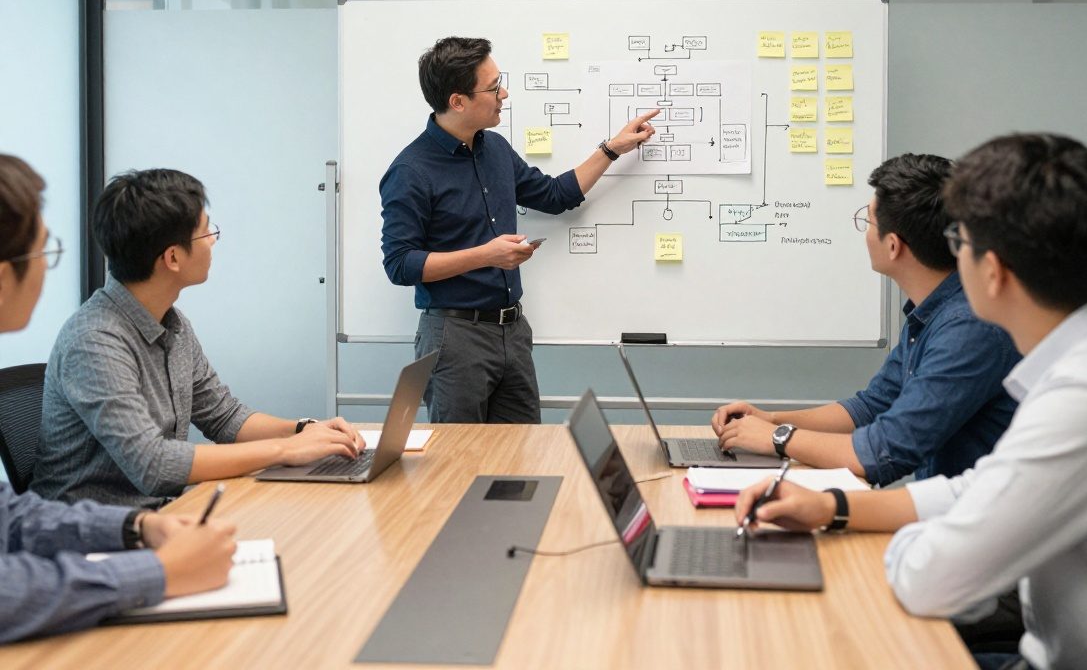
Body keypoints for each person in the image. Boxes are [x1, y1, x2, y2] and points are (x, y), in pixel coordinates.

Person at [735, 133, 1087, 670]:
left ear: (993, 270)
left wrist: (900, 536)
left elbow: (933, 580)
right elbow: (980, 488)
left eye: (961, 240)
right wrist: (835, 508)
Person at [0, 154, 237, 641]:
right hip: (85, 573)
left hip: (133, 525)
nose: (49, 271)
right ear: (5, 277)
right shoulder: (94, 336)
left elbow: (13, 518)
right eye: (47, 253)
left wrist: (137, 529)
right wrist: (159, 573)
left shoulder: (175, 324)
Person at [30, 168, 365, 509]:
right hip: (88, 534)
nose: (213, 240)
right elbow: (154, 465)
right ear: (172, 257)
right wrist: (285, 451)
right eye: (206, 232)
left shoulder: (172, 324)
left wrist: (303, 430)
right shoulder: (95, 341)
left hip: (160, 514)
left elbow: (224, 416)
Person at [380, 36, 658, 423]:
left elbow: (556, 194)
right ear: (458, 101)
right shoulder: (410, 171)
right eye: (493, 87)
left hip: (512, 331)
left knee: (522, 455)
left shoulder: (494, 149)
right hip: (454, 337)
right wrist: (487, 255)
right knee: (458, 464)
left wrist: (612, 149)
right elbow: (400, 265)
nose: (504, 94)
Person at [711, 153, 1020, 486]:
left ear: (892, 246)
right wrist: (770, 420)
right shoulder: (935, 310)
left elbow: (885, 453)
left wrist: (779, 438)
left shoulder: (968, 328)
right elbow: (871, 407)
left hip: (971, 523)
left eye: (868, 222)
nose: (865, 232)